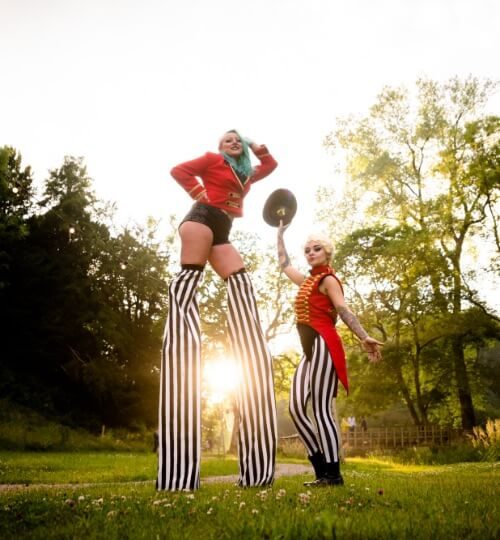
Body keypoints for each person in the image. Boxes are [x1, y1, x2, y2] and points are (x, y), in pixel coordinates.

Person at [157, 130, 278, 491]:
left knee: (240, 282)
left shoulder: (245, 173)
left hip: (222, 231)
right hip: (200, 219)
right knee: (188, 282)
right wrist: (199, 194)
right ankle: (178, 475)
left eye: (236, 140)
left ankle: (255, 473)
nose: (232, 143)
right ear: (218, 146)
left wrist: (257, 145)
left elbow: (270, 165)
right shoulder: (211, 160)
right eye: (227, 139)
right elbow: (178, 170)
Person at [277, 223, 382, 486]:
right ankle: (321, 468)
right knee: (296, 408)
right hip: (309, 352)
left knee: (321, 410)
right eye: (307, 250)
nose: (310, 253)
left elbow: (343, 310)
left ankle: (333, 474)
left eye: (316, 249)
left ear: (327, 253)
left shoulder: (328, 280)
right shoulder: (308, 280)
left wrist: (363, 335)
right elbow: (283, 264)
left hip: (324, 345)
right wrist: (280, 234)